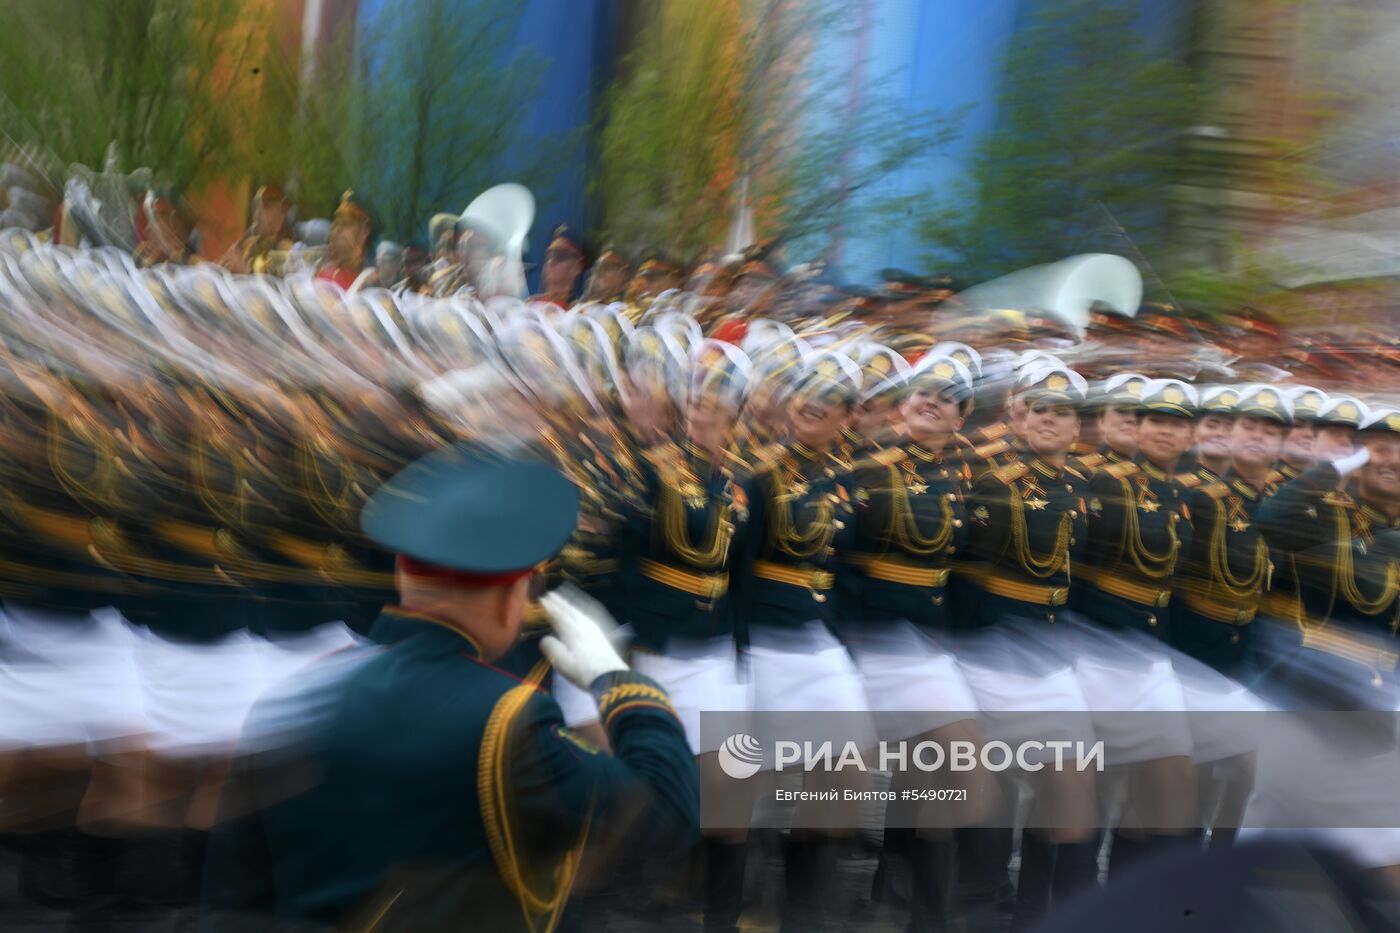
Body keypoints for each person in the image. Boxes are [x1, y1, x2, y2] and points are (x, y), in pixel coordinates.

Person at [201, 447, 700, 932]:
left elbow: (234, 900)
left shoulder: (296, 698)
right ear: (513, 598)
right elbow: (666, 814)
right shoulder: (508, 721)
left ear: (401, 574)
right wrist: (618, 681)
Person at [838, 354, 991, 930]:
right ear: (903, 402)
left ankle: (907, 901)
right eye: (923, 390)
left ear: (961, 417)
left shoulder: (964, 475)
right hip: (867, 634)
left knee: (933, 769)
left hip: (924, 642)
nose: (932, 400)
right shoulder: (863, 464)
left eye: (948, 397)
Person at [730, 351, 873, 931]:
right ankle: (745, 900)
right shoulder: (758, 475)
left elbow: (844, 565)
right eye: (807, 392)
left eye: (832, 398)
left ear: (848, 416)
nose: (816, 403)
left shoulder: (845, 479)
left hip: (818, 641)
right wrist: (736, 649)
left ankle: (800, 897)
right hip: (762, 635)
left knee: (850, 770)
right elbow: (736, 568)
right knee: (751, 781)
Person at [957, 364, 1099, 928]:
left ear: (1077, 427)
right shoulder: (994, 482)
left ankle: (1045, 910)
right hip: (997, 649)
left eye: (1062, 412)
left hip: (1053, 653)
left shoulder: (1088, 488)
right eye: (1039, 409)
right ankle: (983, 902)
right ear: (1018, 416)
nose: (1049, 420)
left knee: (1067, 786)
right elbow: (968, 574)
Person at [221, 184, 294, 275]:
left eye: (265, 207)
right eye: (256, 207)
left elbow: (274, 285)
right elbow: (228, 258)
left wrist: (244, 272)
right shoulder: (252, 240)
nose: (257, 215)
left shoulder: (286, 247)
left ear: (282, 210)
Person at [315, 191, 372, 290]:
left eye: (346, 223)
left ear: (364, 232)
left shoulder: (369, 281)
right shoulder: (322, 268)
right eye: (336, 223)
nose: (336, 230)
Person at [531, 225, 586, 309]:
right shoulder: (532, 305)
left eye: (560, 256)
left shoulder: (578, 312)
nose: (551, 262)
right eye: (549, 256)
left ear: (576, 268)